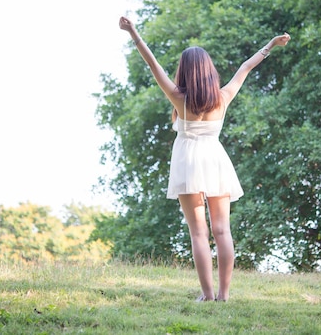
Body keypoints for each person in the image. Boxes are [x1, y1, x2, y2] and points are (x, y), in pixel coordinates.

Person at [119, 16, 290, 302]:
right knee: (222, 230)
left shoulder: (178, 98)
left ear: (184, 72)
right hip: (215, 160)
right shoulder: (223, 97)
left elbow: (152, 65)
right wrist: (271, 45)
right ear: (209, 71)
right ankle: (223, 295)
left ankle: (207, 295)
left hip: (188, 162)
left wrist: (133, 32)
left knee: (199, 233)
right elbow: (246, 66)